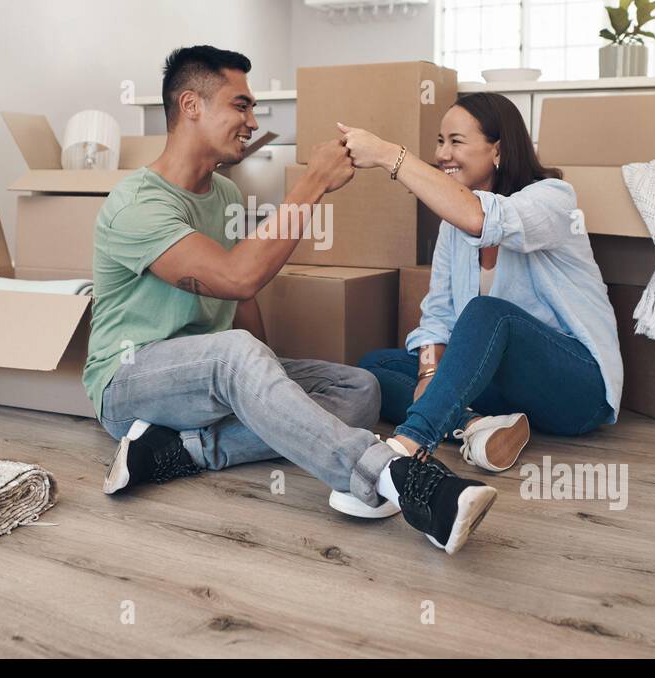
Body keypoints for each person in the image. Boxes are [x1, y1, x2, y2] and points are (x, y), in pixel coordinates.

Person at [82, 46, 498, 554]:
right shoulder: (137, 203)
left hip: (211, 373)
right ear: (191, 106)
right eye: (241, 105)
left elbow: (245, 303)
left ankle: (179, 452)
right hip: (129, 382)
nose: (253, 122)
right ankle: (396, 479)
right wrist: (312, 183)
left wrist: (264, 382)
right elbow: (237, 279)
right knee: (235, 353)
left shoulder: (226, 197)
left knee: (359, 390)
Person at [347, 92, 622, 473]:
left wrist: (389, 155)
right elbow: (439, 315)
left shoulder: (553, 199)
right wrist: (428, 373)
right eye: (440, 141)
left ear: (498, 150)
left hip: (575, 390)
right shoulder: (452, 225)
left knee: (488, 313)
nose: (443, 153)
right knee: (375, 367)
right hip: (508, 394)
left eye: (456, 142)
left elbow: (484, 219)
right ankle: (477, 428)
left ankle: (410, 444)